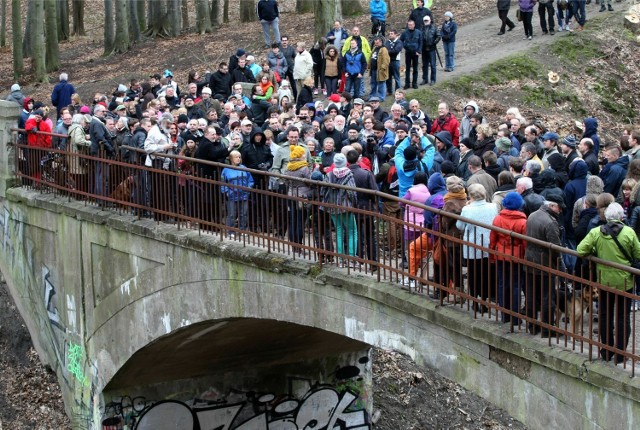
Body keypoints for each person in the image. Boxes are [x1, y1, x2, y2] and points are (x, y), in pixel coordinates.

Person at [577, 203, 640, 364]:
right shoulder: (629, 232)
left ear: (605, 216)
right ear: (621, 217)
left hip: (603, 280)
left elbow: (581, 250)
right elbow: (638, 253)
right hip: (624, 281)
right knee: (622, 317)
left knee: (605, 315)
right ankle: (619, 353)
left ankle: (606, 350)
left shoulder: (596, 232)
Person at [525, 194, 566, 337]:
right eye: (559, 207)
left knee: (531, 295)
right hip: (545, 263)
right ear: (552, 205)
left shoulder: (532, 215)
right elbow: (556, 249)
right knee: (547, 297)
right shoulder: (550, 222)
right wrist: (561, 268)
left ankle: (532, 325)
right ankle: (547, 328)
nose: (560, 211)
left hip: (530, 260)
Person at [457, 184, 499, 312]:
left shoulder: (467, 209)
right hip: (488, 244)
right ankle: (485, 300)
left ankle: (475, 300)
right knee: (487, 273)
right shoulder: (493, 207)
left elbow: (460, 226)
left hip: (473, 246)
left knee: (473, 274)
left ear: (471, 195)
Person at [490, 191, 527, 324]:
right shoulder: (522, 222)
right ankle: (515, 318)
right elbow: (525, 243)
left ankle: (504, 315)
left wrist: (492, 256)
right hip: (517, 257)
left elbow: (492, 239)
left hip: (501, 255)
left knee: (502, 284)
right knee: (516, 286)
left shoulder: (498, 219)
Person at [323, 153, 358, 265]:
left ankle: (341, 257)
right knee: (352, 231)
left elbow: (323, 190)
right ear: (345, 162)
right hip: (346, 206)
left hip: (333, 205)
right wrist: (354, 204)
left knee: (338, 231)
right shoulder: (349, 175)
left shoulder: (329, 175)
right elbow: (352, 192)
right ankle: (351, 257)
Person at [221, 151, 254, 237]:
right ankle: (230, 231)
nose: (238, 159)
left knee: (244, 213)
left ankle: (243, 229)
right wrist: (226, 192)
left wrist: (248, 188)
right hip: (232, 195)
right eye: (236, 157)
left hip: (244, 194)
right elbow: (222, 182)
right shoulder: (226, 169)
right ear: (231, 159)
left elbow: (251, 180)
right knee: (232, 214)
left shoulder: (244, 168)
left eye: (239, 157)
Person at [400, 20, 422, 90]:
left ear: (414, 25)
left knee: (415, 69)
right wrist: (404, 46)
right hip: (408, 52)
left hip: (415, 52)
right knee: (408, 68)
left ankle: (414, 83)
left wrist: (419, 51)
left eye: (411, 24)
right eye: (409, 25)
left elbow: (421, 42)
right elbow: (401, 41)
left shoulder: (418, 32)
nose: (410, 26)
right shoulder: (404, 33)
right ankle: (407, 84)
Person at [420, 15, 440, 86]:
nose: (426, 22)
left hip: (431, 48)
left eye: (427, 20)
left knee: (433, 65)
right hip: (424, 49)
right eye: (424, 20)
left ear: (430, 20)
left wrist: (434, 42)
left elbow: (438, 36)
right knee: (424, 65)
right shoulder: (421, 28)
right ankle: (425, 79)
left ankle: (433, 79)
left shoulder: (434, 28)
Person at [369, 36, 390, 101]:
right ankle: (372, 96)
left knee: (381, 83)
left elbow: (386, 60)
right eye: (375, 41)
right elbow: (371, 57)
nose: (376, 42)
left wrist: (382, 68)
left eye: (378, 41)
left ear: (381, 42)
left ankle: (381, 97)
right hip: (373, 69)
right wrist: (369, 65)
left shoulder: (384, 49)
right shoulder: (375, 48)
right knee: (373, 83)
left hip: (380, 70)